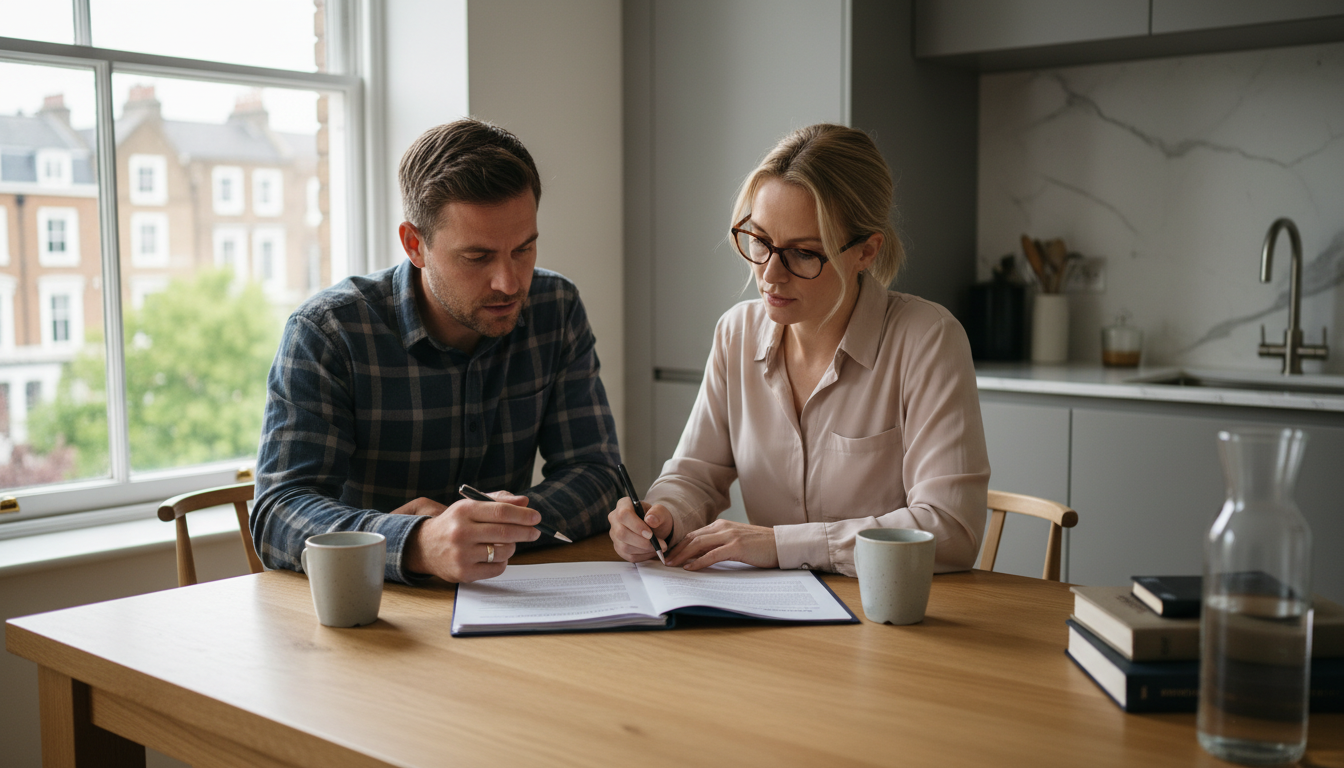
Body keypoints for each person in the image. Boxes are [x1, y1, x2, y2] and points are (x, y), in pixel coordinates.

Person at [609, 123, 989, 576]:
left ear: (866, 252)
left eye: (804, 253)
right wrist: (662, 517)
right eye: (760, 241)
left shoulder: (927, 340)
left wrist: (778, 544)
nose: (770, 275)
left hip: (885, 620)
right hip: (774, 619)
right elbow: (694, 474)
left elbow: (950, 530)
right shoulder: (737, 333)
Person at [253, 118, 621, 584]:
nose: (509, 283)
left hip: (505, 598)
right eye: (477, 257)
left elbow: (597, 473)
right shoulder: (329, 331)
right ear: (415, 245)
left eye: (524, 249)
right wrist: (417, 541)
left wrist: (488, 527)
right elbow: (277, 514)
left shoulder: (556, 307)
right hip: (374, 615)